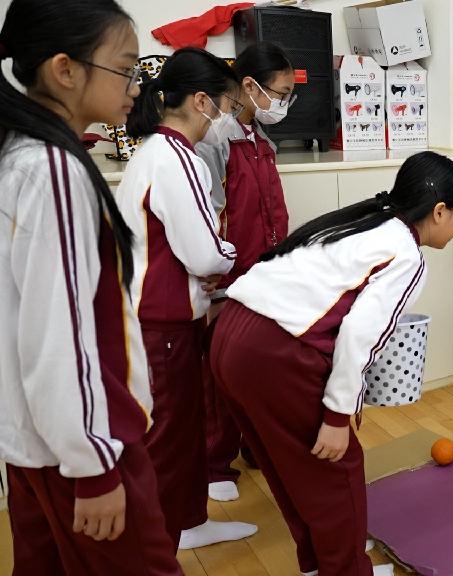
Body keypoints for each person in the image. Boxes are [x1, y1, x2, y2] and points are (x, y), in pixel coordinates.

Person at [211, 151, 453, 576]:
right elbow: (359, 335)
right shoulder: (406, 254)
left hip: (230, 336)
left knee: (289, 469)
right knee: (336, 471)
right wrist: (336, 415)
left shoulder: (366, 221)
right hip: (273, 353)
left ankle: (320, 564)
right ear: (439, 212)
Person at [0, 0, 182, 573]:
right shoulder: (52, 169)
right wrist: (94, 467)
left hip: (36, 442)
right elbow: (59, 335)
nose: (136, 87)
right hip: (84, 448)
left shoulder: (20, 154)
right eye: (125, 69)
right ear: (65, 70)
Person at [117, 46, 256, 551]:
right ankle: (161, 539)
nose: (228, 118)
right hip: (164, 320)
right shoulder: (178, 159)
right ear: (201, 102)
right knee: (170, 436)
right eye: (227, 105)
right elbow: (204, 254)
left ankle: (189, 522)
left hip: (162, 314)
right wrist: (228, 254)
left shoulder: (154, 153)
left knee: (184, 427)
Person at [195, 40, 295, 504]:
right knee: (221, 377)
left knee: (261, 369)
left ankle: (256, 447)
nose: (284, 103)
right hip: (230, 282)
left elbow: (273, 214)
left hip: (266, 277)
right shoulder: (216, 142)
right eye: (281, 93)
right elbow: (213, 216)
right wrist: (216, 289)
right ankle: (216, 465)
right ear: (250, 86)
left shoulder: (263, 143)